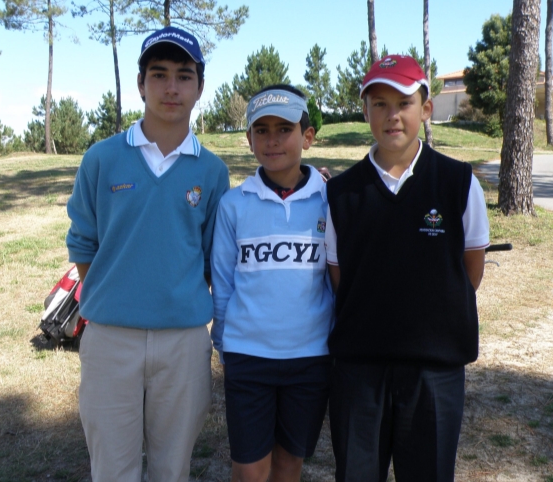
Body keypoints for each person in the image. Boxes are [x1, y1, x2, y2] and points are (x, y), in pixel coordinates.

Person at [66, 26, 230, 482]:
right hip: (109, 340)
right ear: (141, 85)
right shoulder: (101, 159)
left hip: (183, 342)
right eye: (159, 75)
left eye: (183, 75)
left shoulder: (212, 171)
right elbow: (83, 243)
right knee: (112, 470)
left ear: (200, 87)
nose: (171, 87)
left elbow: (212, 255)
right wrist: (118, 295)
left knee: (171, 469)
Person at [324, 54, 490, 482]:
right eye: (379, 103)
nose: (392, 115)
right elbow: (340, 275)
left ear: (426, 109)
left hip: (434, 374)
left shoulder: (458, 182)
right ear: (365, 111)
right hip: (360, 374)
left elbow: (470, 271)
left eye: (403, 102)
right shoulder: (342, 192)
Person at [210, 84, 333, 482]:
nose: (273, 139)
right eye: (261, 130)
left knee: (288, 465)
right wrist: (225, 345)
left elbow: (336, 279)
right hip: (248, 356)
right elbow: (224, 283)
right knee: (249, 470)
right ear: (248, 139)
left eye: (285, 128)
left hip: (310, 358)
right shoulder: (234, 204)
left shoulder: (331, 199)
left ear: (308, 136)